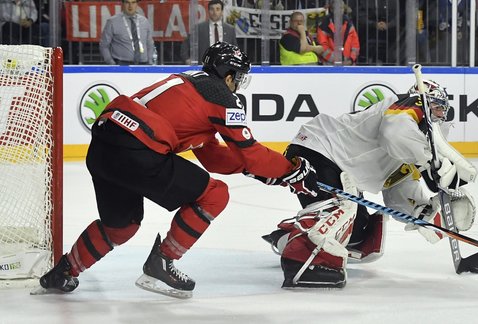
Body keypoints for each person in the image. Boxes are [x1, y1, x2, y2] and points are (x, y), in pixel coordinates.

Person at [36, 42, 319, 298]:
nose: (239, 85)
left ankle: (62, 273)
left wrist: (257, 169)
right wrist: (290, 170)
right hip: (138, 150)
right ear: (229, 75)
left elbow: (212, 158)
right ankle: (162, 262)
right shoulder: (222, 97)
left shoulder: (186, 82)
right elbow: (251, 153)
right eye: (239, 78)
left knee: (120, 227)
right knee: (215, 195)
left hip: (103, 147)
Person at [256, 80, 478, 288]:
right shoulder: (407, 107)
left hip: (338, 165)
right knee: (338, 215)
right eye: (437, 107)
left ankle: (289, 237)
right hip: (318, 150)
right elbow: (395, 132)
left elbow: (398, 186)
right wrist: (428, 159)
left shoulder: (413, 142)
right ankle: (303, 262)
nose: (441, 114)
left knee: (356, 236)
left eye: (442, 109)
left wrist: (425, 211)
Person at [181, 0, 237, 65]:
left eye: (217, 9)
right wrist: (187, 60)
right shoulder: (199, 28)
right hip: (204, 66)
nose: (214, 12)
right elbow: (185, 46)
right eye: (212, 9)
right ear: (208, 11)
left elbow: (235, 49)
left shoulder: (230, 29)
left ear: (222, 12)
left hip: (224, 67)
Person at [99, 0, 155, 65]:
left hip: (143, 64)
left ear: (137, 4)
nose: (130, 6)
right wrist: (111, 63)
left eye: (133, 2)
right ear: (122, 4)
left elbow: (150, 44)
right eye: (127, 2)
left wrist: (150, 61)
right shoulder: (112, 22)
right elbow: (104, 45)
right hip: (121, 64)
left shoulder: (145, 21)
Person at [316, 0, 360, 65]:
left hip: (348, 64)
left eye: (341, 8)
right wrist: (336, 60)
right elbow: (323, 47)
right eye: (337, 8)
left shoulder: (349, 24)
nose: (339, 10)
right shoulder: (324, 25)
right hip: (329, 65)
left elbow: (355, 46)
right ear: (331, 9)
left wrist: (351, 60)